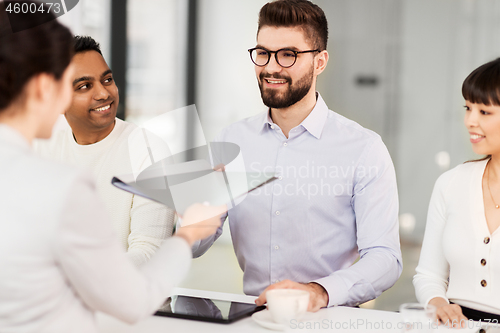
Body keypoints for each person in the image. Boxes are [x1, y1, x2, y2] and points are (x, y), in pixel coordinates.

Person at [0, 2, 224, 332]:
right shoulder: (58, 181)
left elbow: (145, 249)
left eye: (108, 79)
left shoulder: (145, 146)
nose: (104, 93)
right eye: (79, 85)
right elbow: (129, 296)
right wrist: (190, 232)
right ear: (43, 88)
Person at [193, 0, 402, 311]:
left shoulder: (364, 149)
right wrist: (179, 224)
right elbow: (196, 240)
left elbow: (385, 258)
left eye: (288, 55)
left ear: (320, 62)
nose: (271, 67)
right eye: (263, 53)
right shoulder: (231, 141)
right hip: (248, 319)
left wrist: (319, 291)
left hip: (328, 320)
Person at [34, 35, 175, 266]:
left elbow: (150, 252)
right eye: (85, 86)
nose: (104, 93)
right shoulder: (43, 150)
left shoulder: (149, 150)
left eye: (107, 79)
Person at [414, 58, 500, 327]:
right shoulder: (451, 183)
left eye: (484, 112)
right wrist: (439, 304)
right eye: (468, 108)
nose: (469, 121)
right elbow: (428, 275)